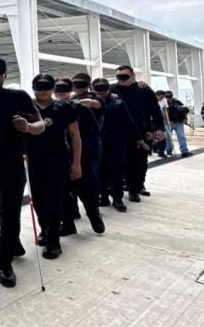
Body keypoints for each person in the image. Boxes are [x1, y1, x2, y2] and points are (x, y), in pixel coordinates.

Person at [0, 58, 44, 289]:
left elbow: (40, 125)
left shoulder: (19, 97)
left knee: (10, 212)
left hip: (13, 163)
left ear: (5, 76)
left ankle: (4, 262)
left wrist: (28, 127)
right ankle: (13, 243)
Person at [25, 74, 81, 260]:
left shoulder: (63, 107)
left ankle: (54, 240)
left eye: (46, 87)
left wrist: (76, 164)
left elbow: (74, 136)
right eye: (38, 87)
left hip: (57, 159)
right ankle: (46, 228)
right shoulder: (27, 107)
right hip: (33, 160)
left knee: (53, 198)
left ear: (52, 88)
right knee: (38, 199)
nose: (42, 91)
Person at [54, 77, 105, 236]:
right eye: (57, 89)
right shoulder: (52, 109)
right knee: (63, 193)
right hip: (59, 157)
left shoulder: (80, 108)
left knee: (86, 189)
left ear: (70, 90)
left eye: (64, 89)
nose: (61, 93)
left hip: (81, 155)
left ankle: (94, 216)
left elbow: (93, 131)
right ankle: (68, 223)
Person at [110, 65, 164, 202]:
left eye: (125, 76)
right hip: (119, 132)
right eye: (119, 77)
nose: (122, 80)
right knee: (121, 162)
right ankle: (129, 185)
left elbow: (155, 110)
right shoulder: (112, 90)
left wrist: (160, 128)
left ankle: (136, 188)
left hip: (142, 131)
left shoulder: (144, 90)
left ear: (133, 75)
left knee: (139, 162)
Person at [92, 78, 146, 211]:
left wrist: (138, 138)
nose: (101, 92)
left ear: (108, 88)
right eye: (97, 89)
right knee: (101, 170)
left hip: (117, 141)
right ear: (92, 89)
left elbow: (129, 121)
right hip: (98, 142)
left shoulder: (118, 102)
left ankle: (117, 198)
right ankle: (103, 196)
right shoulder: (88, 102)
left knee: (117, 170)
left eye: (104, 88)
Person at [166, 91, 193, 158]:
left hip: (178, 122)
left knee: (181, 136)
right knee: (168, 138)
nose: (169, 98)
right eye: (167, 96)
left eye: (170, 96)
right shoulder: (163, 103)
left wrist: (185, 118)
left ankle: (184, 151)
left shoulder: (177, 102)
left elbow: (184, 111)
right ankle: (168, 151)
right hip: (168, 122)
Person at [154, 90, 174, 158]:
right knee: (152, 136)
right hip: (150, 118)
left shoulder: (164, 100)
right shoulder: (150, 98)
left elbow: (165, 109)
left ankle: (161, 152)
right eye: (160, 97)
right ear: (156, 95)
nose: (161, 99)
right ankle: (154, 147)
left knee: (162, 135)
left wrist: (166, 119)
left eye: (163, 97)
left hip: (159, 118)